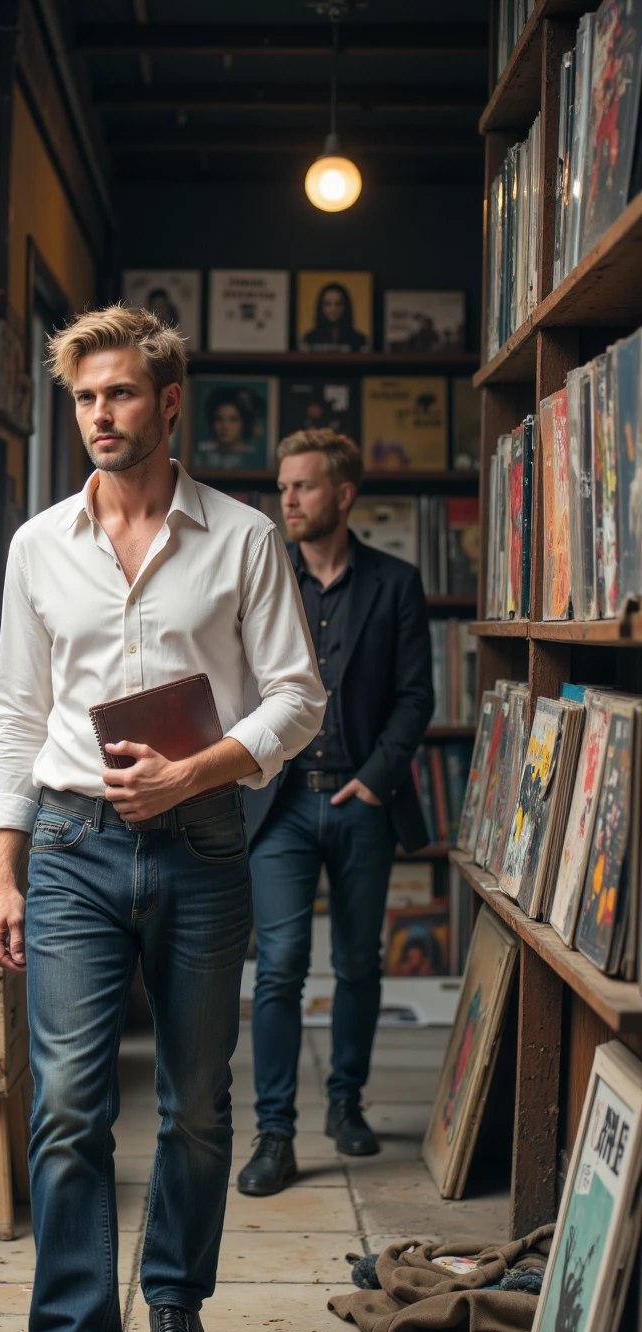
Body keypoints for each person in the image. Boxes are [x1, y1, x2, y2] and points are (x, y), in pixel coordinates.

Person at [0, 307, 325, 1332]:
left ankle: (175, 1293)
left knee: (196, 1102)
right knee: (68, 1107)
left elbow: (296, 697)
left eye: (120, 393)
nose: (100, 415)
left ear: (168, 401)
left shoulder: (242, 539)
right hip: (71, 849)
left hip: (203, 844)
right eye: (86, 397)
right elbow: (17, 715)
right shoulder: (38, 546)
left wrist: (196, 771)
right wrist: (5, 872)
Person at [238, 427, 434, 1195]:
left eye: (304, 486)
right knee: (280, 966)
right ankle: (275, 1132)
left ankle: (346, 1102)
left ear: (344, 494)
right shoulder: (264, 580)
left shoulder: (396, 583)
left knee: (357, 963)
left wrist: (379, 779)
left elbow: (416, 696)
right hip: (281, 803)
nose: (287, 499)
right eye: (283, 485)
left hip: (362, 800)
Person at [302, 282, 369, 352]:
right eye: (327, 304)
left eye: (338, 304)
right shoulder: (308, 340)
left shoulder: (360, 341)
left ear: (345, 307)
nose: (333, 309)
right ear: (321, 307)